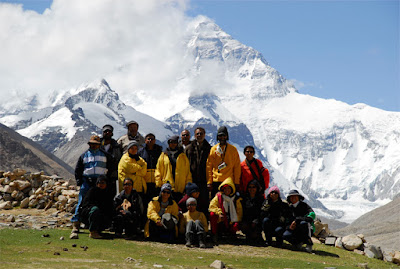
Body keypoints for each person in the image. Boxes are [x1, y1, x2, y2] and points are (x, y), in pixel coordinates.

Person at [70, 135, 111, 239]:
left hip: (99, 183)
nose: (94, 146)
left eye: (96, 144)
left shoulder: (105, 155)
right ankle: (76, 224)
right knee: (81, 202)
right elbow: (78, 169)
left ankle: (96, 225)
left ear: (99, 145)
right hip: (87, 182)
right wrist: (79, 181)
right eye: (92, 144)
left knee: (100, 203)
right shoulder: (84, 155)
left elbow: (111, 167)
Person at [155, 135, 192, 203]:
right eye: (171, 142)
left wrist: (188, 185)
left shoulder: (183, 156)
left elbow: (187, 172)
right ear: (168, 143)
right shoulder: (163, 155)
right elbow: (158, 170)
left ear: (177, 143)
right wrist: (158, 184)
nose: (173, 144)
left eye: (175, 142)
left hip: (180, 187)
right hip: (167, 187)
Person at [206, 126, 241, 197]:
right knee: (216, 204)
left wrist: (236, 182)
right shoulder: (213, 149)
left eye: (224, 135)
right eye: (220, 136)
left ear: (227, 136)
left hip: (229, 181)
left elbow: (237, 167)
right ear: (217, 137)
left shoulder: (233, 149)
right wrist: (209, 182)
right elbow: (209, 166)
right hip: (216, 181)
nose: (222, 138)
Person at [184, 127, 211, 216]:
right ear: (194, 135)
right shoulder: (188, 148)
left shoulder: (210, 149)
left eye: (201, 133)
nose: (199, 135)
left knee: (204, 202)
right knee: (191, 202)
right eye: (197, 134)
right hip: (192, 180)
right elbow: (184, 165)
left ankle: (204, 223)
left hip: (204, 180)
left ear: (204, 134)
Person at [209, 177, 242, 244]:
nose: (227, 190)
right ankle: (214, 234)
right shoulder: (218, 197)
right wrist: (219, 213)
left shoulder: (236, 199)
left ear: (232, 189)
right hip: (221, 219)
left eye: (228, 188)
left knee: (236, 225)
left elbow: (239, 211)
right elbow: (211, 206)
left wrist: (235, 221)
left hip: (231, 220)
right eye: (225, 188)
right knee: (212, 214)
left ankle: (231, 234)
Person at [138, 133, 163, 206]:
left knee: (156, 200)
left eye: (152, 139)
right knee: (145, 200)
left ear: (155, 140)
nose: (150, 140)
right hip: (145, 180)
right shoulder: (141, 152)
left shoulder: (159, 151)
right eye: (148, 139)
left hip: (156, 180)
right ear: (145, 140)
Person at [100, 124, 122, 197]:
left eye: (109, 131)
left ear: (112, 134)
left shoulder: (116, 146)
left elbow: (118, 159)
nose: (107, 133)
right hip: (100, 174)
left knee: (111, 195)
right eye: (105, 131)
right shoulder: (98, 145)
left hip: (112, 175)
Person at [239, 180, 264, 244]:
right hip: (247, 220)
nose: (251, 189)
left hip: (257, 222)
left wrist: (256, 221)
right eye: (250, 187)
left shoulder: (261, 199)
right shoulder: (244, 198)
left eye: (253, 187)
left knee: (255, 234)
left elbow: (262, 212)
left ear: (257, 188)